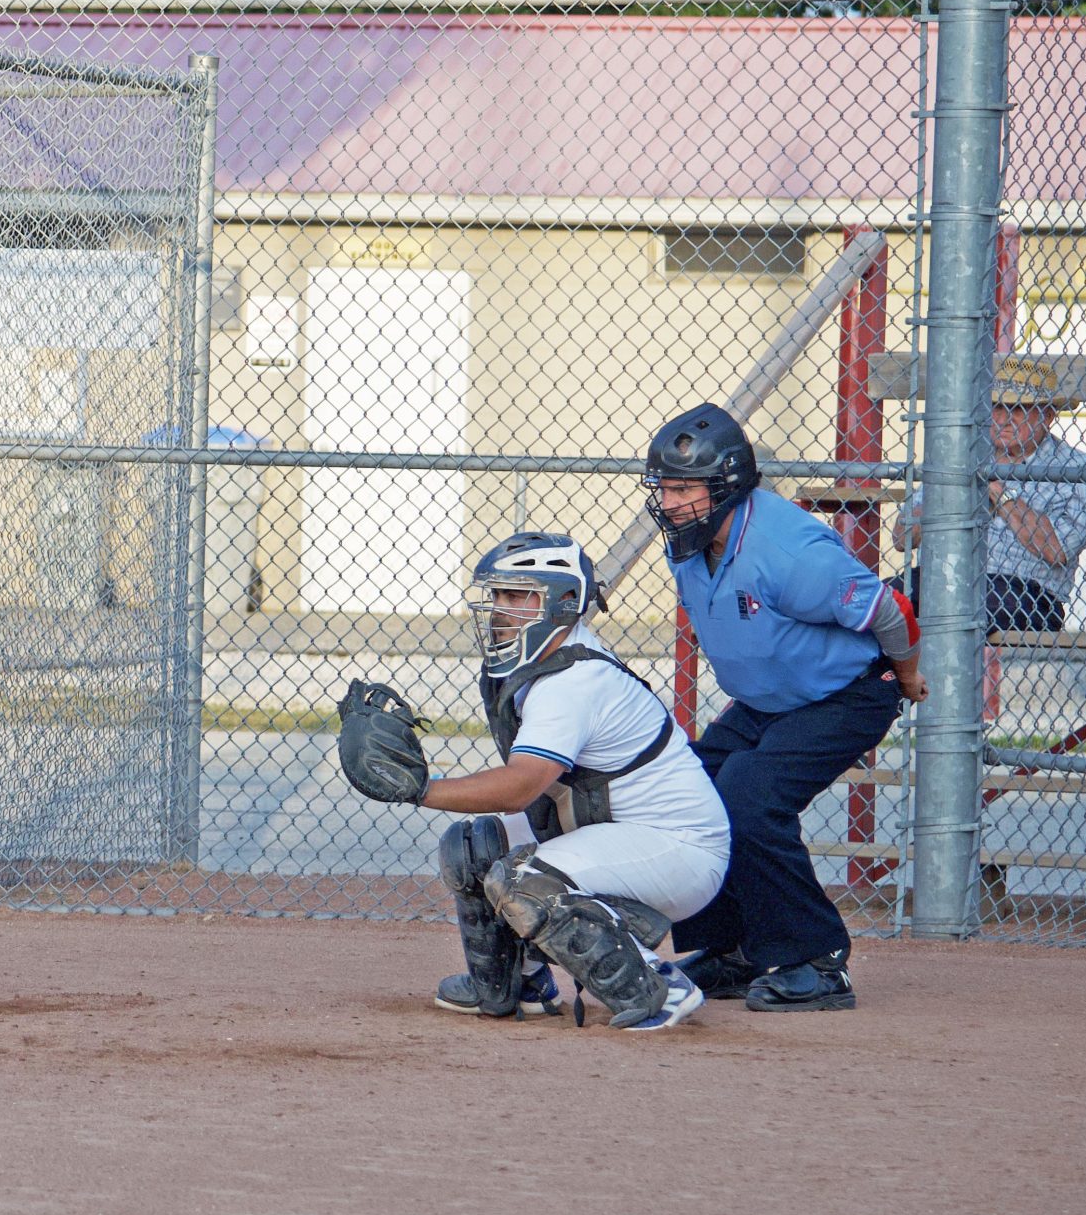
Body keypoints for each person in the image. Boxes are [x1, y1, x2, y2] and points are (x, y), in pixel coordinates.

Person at [335, 532, 728, 1030]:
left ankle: (657, 986)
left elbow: (522, 786)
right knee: (475, 847)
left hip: (678, 851)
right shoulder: (542, 664)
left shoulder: (573, 682)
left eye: (519, 595)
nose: (501, 608)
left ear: (563, 603)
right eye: (498, 595)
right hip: (619, 831)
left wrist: (423, 789)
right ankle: (520, 986)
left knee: (524, 881)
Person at [643, 404, 926, 1013]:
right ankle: (734, 949)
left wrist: (906, 677)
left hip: (846, 692)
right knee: (688, 788)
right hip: (769, 701)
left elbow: (890, 611)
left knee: (751, 796)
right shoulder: (689, 541)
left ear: (727, 486)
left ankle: (817, 961)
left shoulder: (787, 550)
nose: (670, 502)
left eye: (685, 488)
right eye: (664, 487)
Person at [894, 357, 1086, 632]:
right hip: (936, 581)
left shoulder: (1078, 469)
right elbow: (902, 537)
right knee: (878, 605)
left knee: (965, 613)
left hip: (1024, 593)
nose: (1004, 419)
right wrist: (950, 495)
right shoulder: (960, 456)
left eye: (1019, 409)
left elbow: (1057, 550)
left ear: (1049, 415)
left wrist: (998, 492)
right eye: (996, 407)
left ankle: (941, 669)